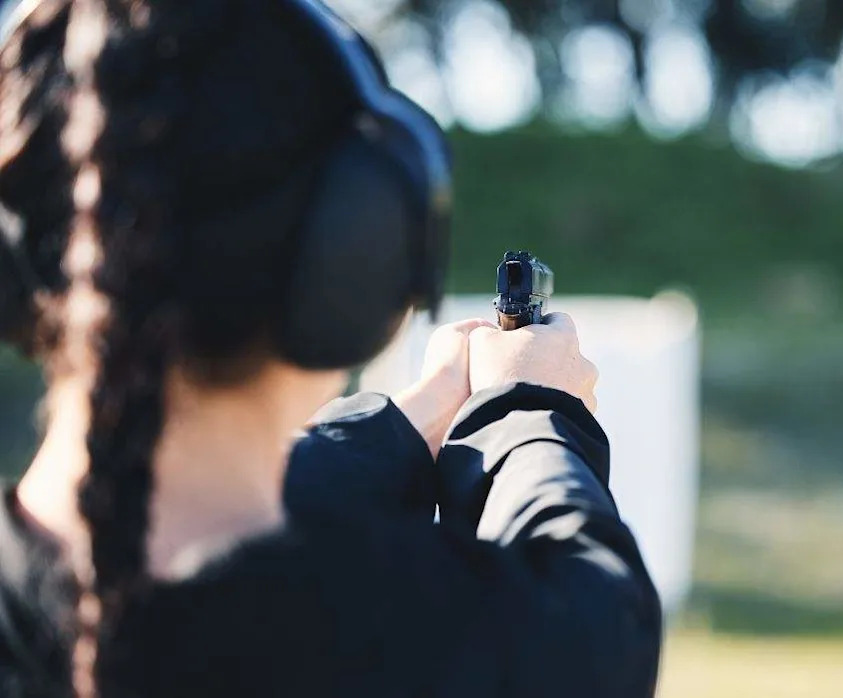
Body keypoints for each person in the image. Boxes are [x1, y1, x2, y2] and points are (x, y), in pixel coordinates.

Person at [0, 0, 661, 697]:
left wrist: (411, 424)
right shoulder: (413, 634)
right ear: (353, 244)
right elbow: (599, 621)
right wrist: (530, 412)